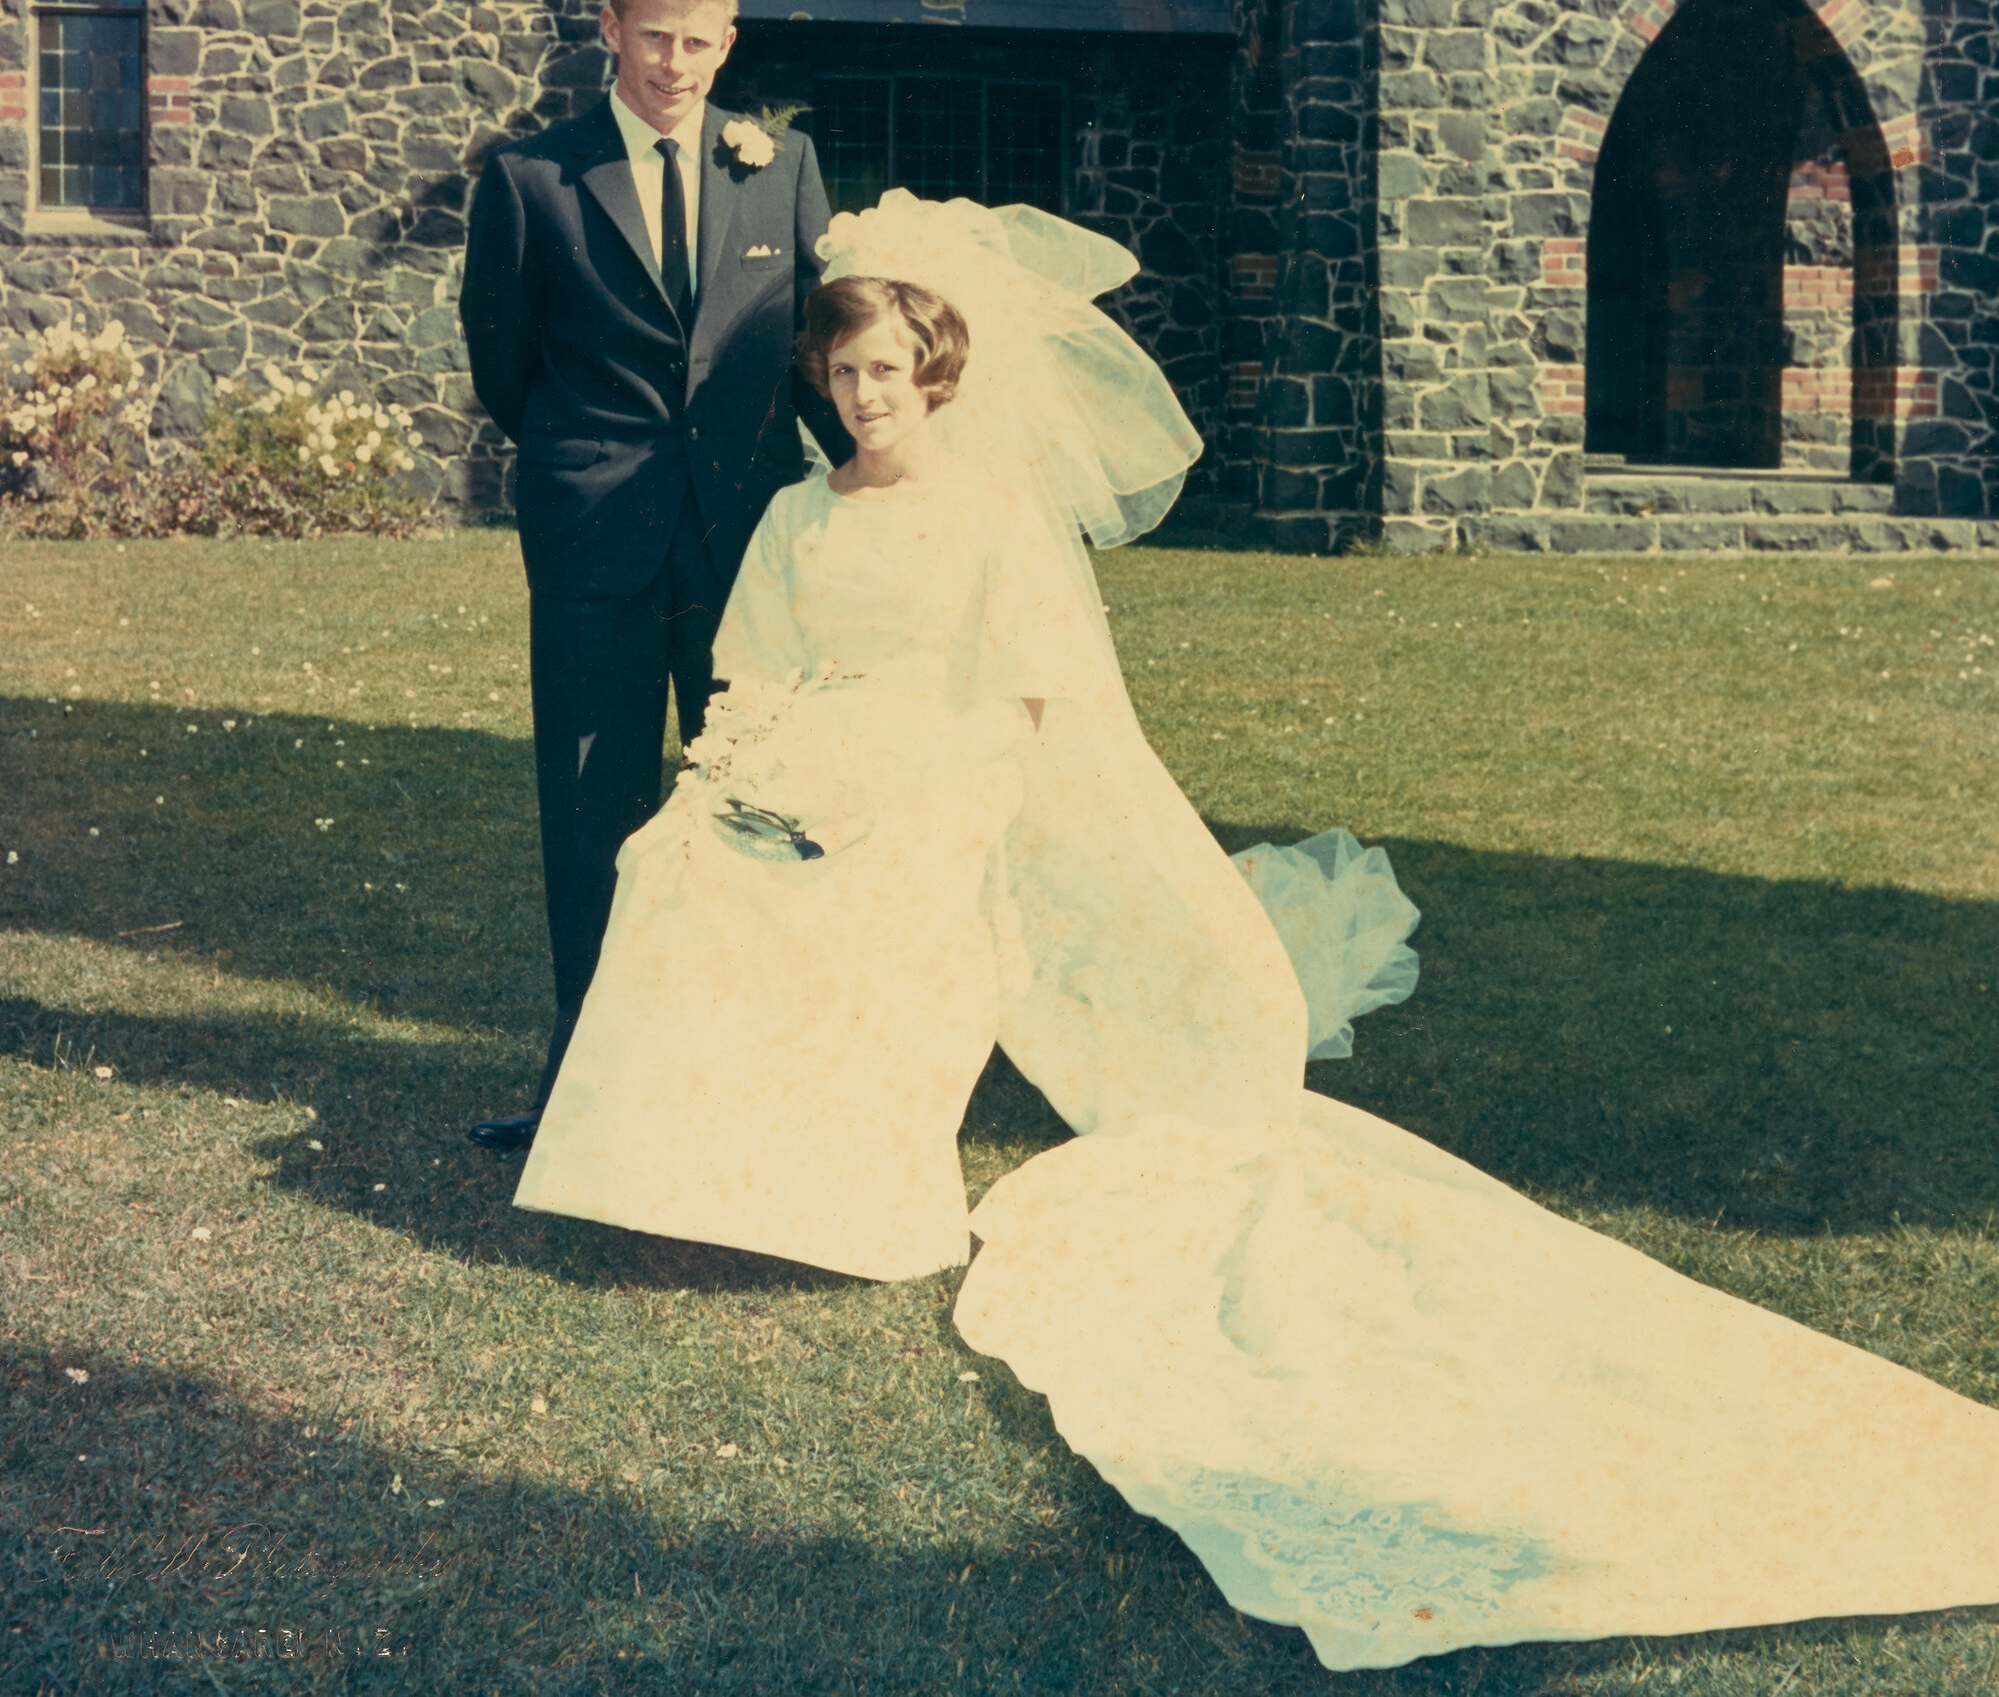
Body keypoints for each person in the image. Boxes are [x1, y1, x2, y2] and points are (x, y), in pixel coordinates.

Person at [521, 191, 1999, 1670]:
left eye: (885, 371)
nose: (862, 395)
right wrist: (756, 769)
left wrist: (901, 786)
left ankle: (838, 1205)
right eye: (842, 373)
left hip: (943, 769)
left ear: (934, 374)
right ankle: (678, 1179)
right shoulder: (798, 513)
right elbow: (756, 668)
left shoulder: (984, 513)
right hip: (807, 757)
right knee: (677, 861)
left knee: (865, 881)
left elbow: (1022, 701)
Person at [457, 0, 845, 1153]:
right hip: (596, 546)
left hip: (746, 548)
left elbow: (815, 351)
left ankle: (746, 1078)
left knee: (754, 806)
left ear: (727, 44)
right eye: (653, 37)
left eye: (697, 42)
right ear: (610, 30)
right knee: (595, 816)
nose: (674, 64)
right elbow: (506, 367)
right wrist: (591, 470)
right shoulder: (532, 180)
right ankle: (584, 1087)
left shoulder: (782, 169)